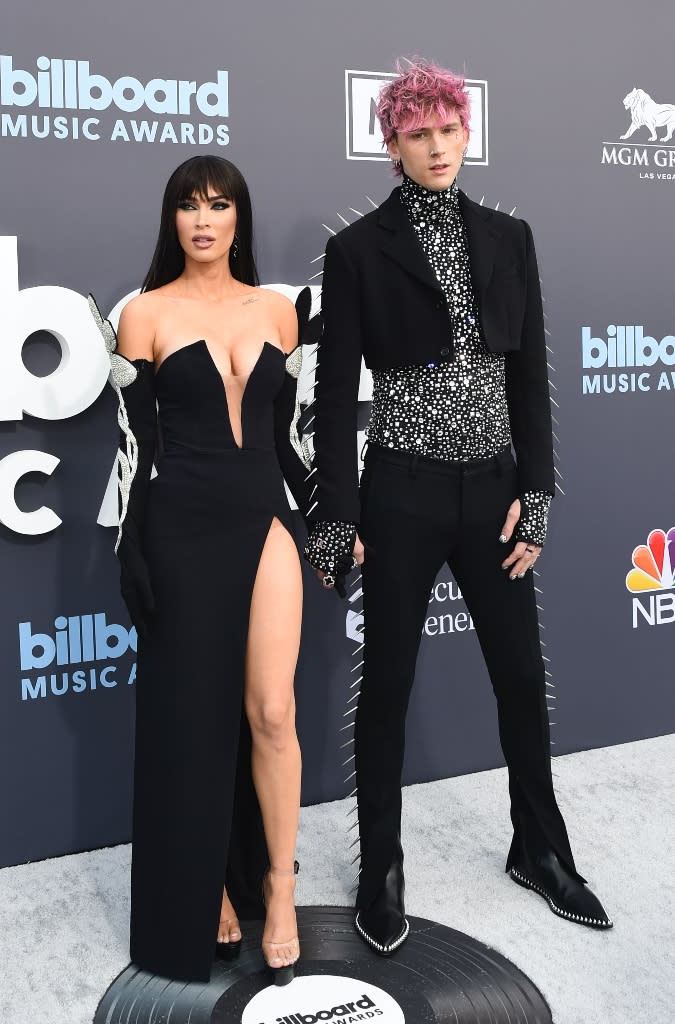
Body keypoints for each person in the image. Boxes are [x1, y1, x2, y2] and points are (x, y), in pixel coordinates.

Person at [305, 59, 612, 955]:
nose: (436, 147)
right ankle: (380, 870)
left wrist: (537, 493)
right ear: (391, 146)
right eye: (416, 134)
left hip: (494, 492)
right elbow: (331, 396)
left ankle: (540, 848)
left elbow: (530, 376)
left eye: (448, 129)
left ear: (466, 132)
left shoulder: (510, 236)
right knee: (387, 686)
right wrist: (336, 515)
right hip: (399, 490)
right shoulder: (358, 248)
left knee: (520, 676)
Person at [90, 155, 312, 985]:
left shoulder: (281, 313)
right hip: (180, 525)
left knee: (272, 710)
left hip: (265, 520)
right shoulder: (143, 315)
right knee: (195, 719)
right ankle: (207, 883)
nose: (203, 219)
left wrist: (327, 527)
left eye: (218, 204)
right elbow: (133, 453)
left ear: (239, 218)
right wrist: (131, 548)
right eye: (188, 205)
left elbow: (293, 443)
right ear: (171, 220)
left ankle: (278, 889)